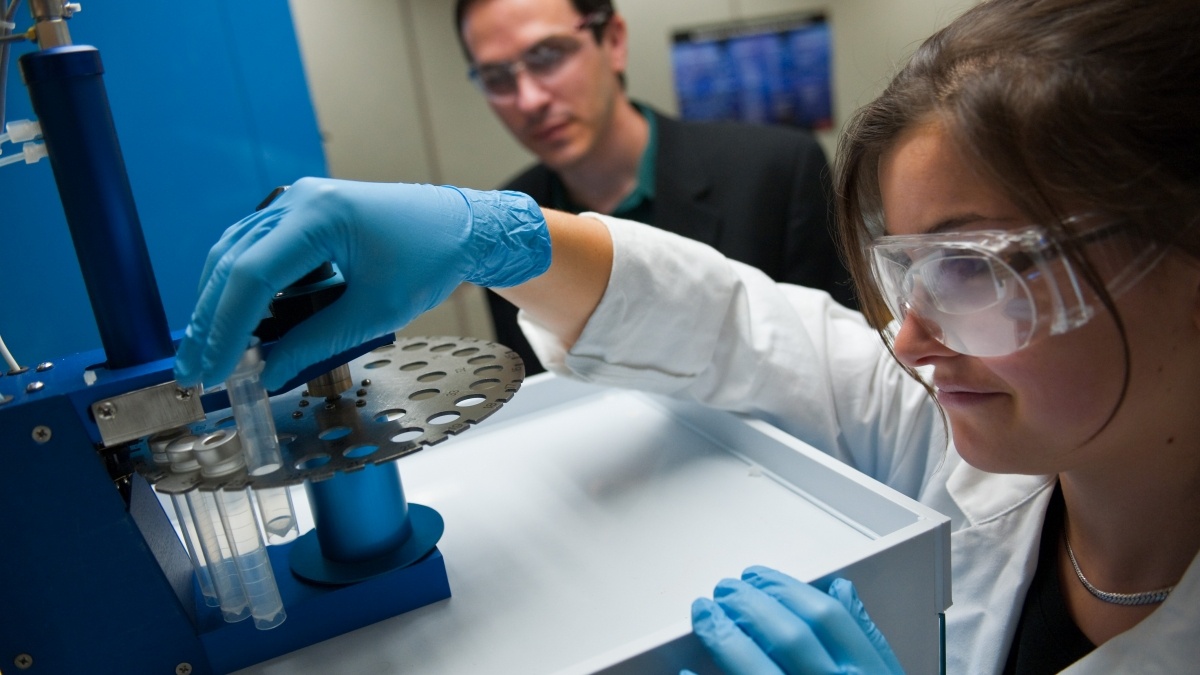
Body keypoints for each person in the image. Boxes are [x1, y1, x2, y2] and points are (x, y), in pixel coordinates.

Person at [175, 0, 1200, 671]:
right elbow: (740, 328)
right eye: (904, 271)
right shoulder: (965, 448)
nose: (912, 335)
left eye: (976, 269)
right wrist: (496, 235)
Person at [455, 0, 855, 375]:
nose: (529, 100)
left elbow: (841, 370)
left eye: (547, 55)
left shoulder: (775, 172)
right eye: (496, 77)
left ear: (612, 41)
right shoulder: (504, 227)